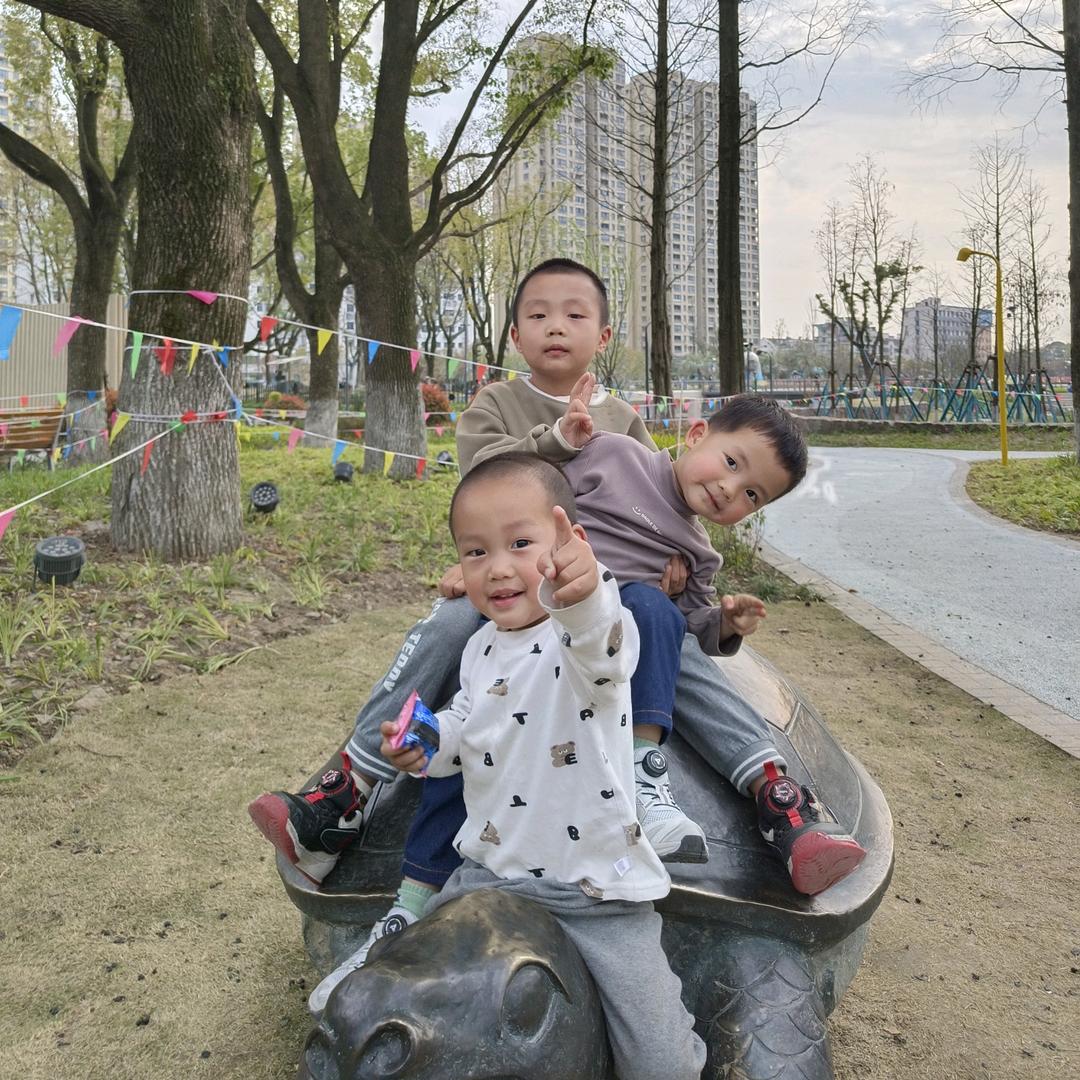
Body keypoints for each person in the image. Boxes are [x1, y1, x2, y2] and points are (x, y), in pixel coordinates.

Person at [249, 259, 864, 994]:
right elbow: (486, 488)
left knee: (670, 636)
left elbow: (665, 525)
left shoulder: (626, 427)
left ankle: (778, 797)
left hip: (606, 616)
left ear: (602, 336)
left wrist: (704, 608)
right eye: (540, 314)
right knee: (450, 634)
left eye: (576, 316)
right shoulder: (506, 409)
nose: (557, 327)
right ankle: (345, 790)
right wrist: (553, 450)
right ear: (515, 332)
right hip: (518, 587)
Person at [382, 454, 706, 1079]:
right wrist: (425, 741)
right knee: (428, 1006)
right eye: (474, 552)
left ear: (568, 543)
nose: (498, 568)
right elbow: (465, 730)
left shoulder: (586, 633)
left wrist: (582, 596)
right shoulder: (478, 648)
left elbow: (604, 646)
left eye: (521, 543)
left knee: (661, 1063)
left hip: (595, 890)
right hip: (487, 876)